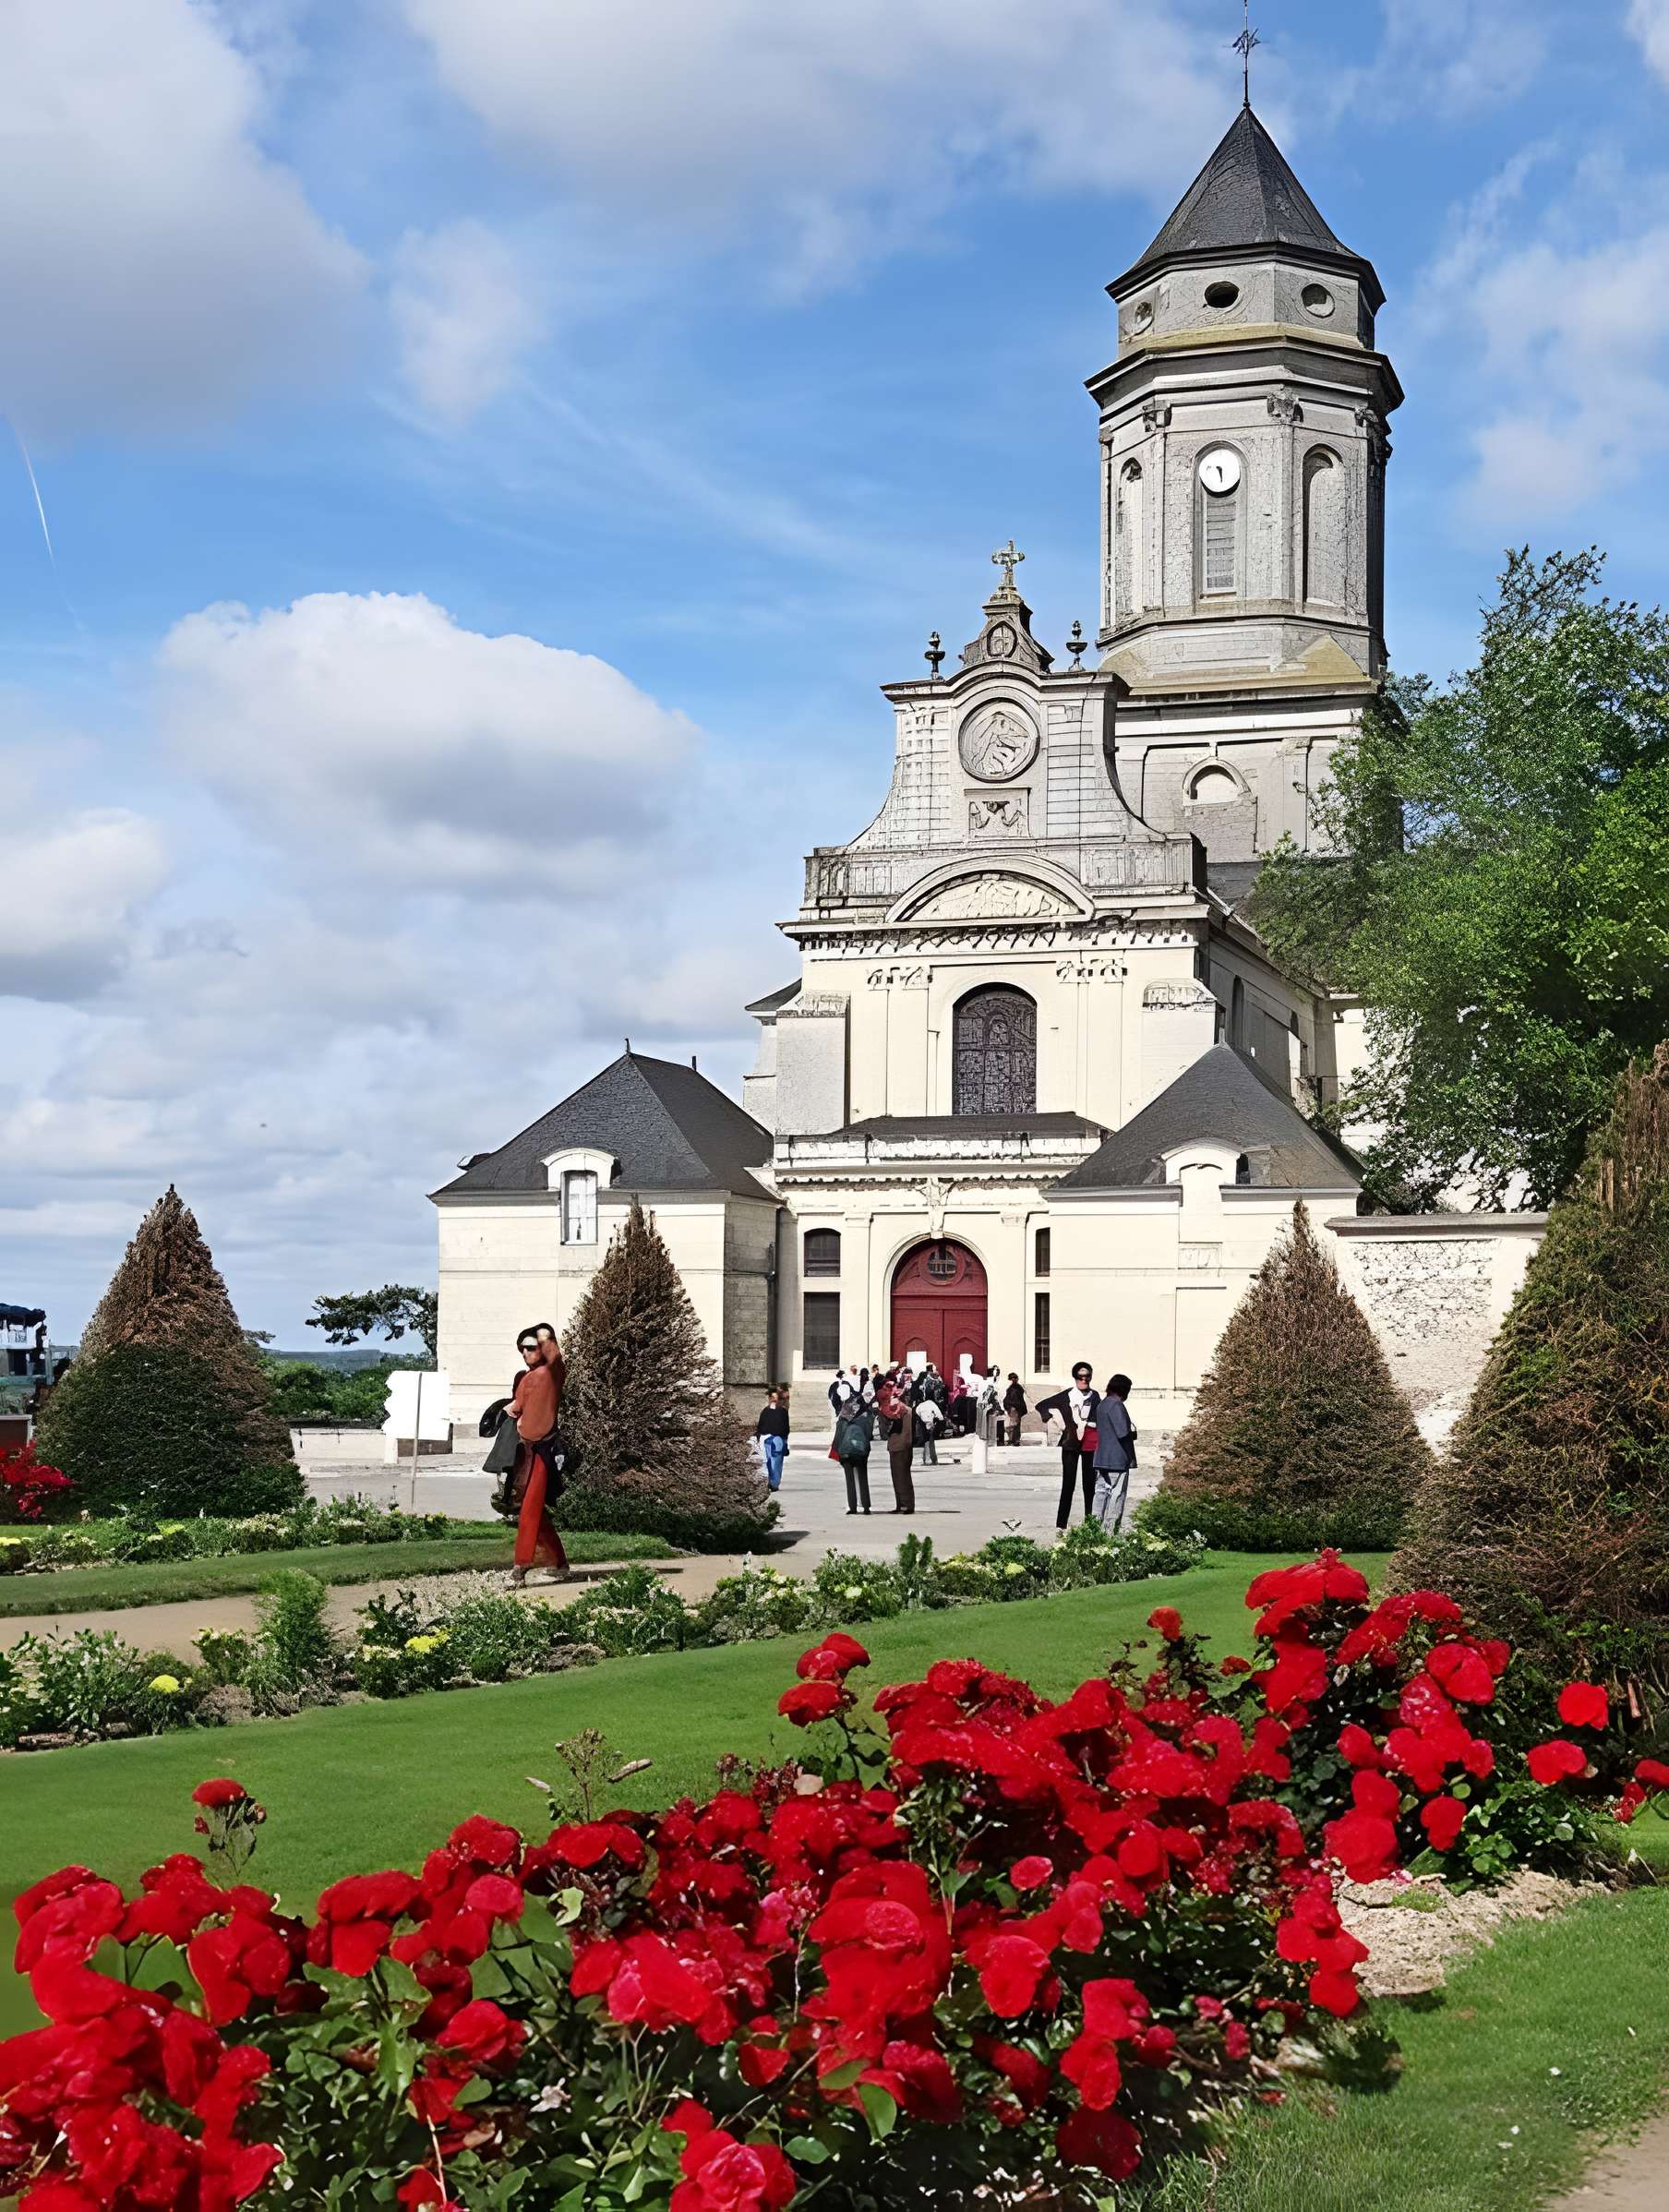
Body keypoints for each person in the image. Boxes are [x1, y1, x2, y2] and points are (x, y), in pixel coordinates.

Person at [508, 1324, 569, 1585]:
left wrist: (543, 1332)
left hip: (542, 1450)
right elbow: (518, 1407)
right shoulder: (526, 1377)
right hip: (525, 1452)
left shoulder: (552, 1372)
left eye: (531, 1347)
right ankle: (558, 1562)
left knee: (530, 1508)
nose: (525, 1352)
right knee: (529, 1507)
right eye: (522, 1348)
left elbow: (555, 1355)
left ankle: (520, 1566)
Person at [1037, 1363, 1102, 1530]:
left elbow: (1098, 1417)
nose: (1084, 1380)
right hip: (1070, 1444)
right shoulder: (1067, 1395)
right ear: (1075, 1378)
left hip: (1089, 1445)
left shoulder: (1094, 1396)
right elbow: (1041, 1405)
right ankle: (1061, 1525)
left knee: (1090, 1485)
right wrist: (1054, 1415)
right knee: (1068, 1484)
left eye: (1087, 1376)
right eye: (1080, 1376)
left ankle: (1090, 1525)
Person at [1092, 1373, 1138, 1531]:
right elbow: (1123, 1433)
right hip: (1117, 1459)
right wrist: (1133, 1434)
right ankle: (1110, 1533)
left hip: (1101, 1457)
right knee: (1116, 1497)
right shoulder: (1117, 1405)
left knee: (1100, 1495)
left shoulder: (1103, 1404)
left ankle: (1093, 1530)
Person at [875, 1373, 917, 1514]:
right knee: (900, 1476)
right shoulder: (904, 1410)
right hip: (901, 1446)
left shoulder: (900, 1411)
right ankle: (901, 1504)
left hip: (900, 1446)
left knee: (901, 1477)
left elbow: (886, 1429)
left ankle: (905, 1505)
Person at [834, 1394, 875, 1515]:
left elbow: (838, 1437)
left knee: (850, 1480)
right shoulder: (866, 1417)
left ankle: (853, 1507)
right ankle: (866, 1506)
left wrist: (839, 1453)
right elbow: (869, 1435)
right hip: (861, 1451)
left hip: (846, 1452)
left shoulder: (843, 1418)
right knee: (863, 1478)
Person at [755, 1387, 790, 1491]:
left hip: (773, 1439)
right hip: (771, 1439)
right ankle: (772, 1482)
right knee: (772, 1462)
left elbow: (785, 1428)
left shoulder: (768, 1411)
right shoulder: (769, 1411)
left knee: (773, 1461)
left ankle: (773, 1483)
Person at [915, 1389, 943, 1465]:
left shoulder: (921, 1405)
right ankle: (931, 1459)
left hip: (922, 1424)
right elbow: (940, 1417)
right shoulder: (933, 1404)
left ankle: (926, 1459)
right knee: (930, 1442)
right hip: (931, 1424)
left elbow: (917, 1412)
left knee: (925, 1441)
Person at [1002, 1372, 1028, 1447]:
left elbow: (1014, 1399)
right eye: (1012, 1378)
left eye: (1014, 1378)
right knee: (1013, 1425)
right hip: (1014, 1408)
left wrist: (1009, 1405)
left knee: (1012, 1425)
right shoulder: (1014, 1388)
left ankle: (1014, 1440)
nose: (1013, 1380)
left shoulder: (1015, 1388)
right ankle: (1014, 1440)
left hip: (1014, 1408)